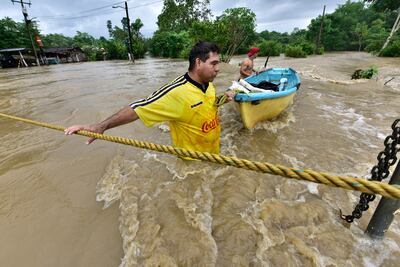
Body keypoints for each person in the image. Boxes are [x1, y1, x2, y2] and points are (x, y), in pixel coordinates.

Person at [65, 41, 236, 155]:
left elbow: (205, 105)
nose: (218, 68)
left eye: (218, 63)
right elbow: (137, 108)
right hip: (193, 163)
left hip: (215, 153)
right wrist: (100, 126)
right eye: (214, 63)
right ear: (198, 63)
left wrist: (221, 100)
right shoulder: (175, 92)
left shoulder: (209, 84)